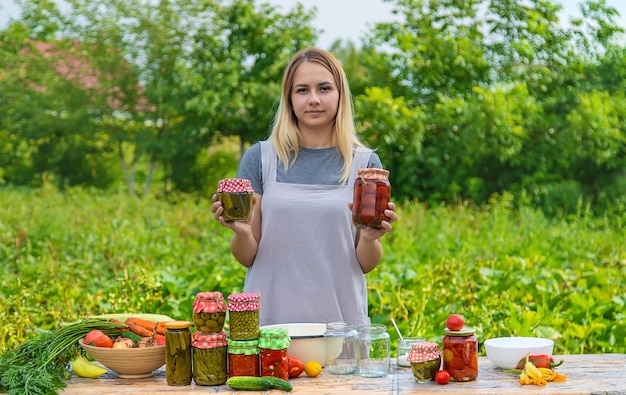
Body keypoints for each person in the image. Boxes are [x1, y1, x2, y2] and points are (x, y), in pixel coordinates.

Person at [211, 47, 397, 327]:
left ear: (340, 95)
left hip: (340, 325)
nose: (313, 99)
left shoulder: (365, 165)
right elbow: (247, 254)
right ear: (289, 98)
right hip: (271, 327)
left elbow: (365, 263)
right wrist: (242, 231)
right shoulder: (260, 158)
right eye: (302, 90)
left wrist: (371, 238)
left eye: (324, 88)